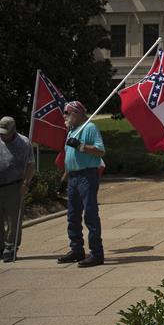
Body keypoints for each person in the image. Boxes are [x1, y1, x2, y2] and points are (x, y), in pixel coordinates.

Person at [0, 116, 35, 262]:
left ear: (13, 130)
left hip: (14, 186)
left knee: (13, 221)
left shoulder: (24, 143)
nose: (2, 135)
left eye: (6, 133)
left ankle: (10, 248)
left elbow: (30, 165)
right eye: (1, 132)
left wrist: (26, 183)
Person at [56, 101, 106, 267]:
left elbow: (100, 151)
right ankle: (77, 249)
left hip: (87, 176)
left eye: (67, 112)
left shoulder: (89, 128)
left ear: (77, 114)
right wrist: (63, 180)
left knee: (90, 214)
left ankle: (96, 253)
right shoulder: (71, 131)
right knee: (72, 215)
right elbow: (70, 159)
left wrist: (81, 146)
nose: (64, 116)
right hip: (73, 177)